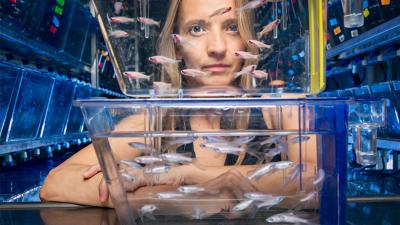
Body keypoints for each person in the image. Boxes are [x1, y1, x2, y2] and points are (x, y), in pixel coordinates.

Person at [40, 0, 317, 217]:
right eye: (197, 28)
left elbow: (323, 183)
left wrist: (188, 177)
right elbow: (55, 183)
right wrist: (177, 201)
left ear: (246, 38)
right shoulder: (154, 123)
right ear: (177, 45)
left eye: (231, 26)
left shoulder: (280, 110)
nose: (217, 47)